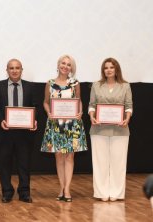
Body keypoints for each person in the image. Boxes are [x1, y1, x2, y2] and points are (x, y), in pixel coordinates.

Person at [0, 59, 37, 203]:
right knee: (4, 164)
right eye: (11, 68)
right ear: (7, 70)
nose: (14, 70)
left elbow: (35, 106)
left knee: (24, 164)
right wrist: (0, 120)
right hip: (4, 132)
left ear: (21, 70)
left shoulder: (30, 87)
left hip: (24, 133)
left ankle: (24, 192)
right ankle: (7, 192)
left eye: (17, 68)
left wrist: (34, 120)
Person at [40, 55, 88, 202]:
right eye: (63, 63)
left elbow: (78, 101)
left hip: (72, 124)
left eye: (68, 64)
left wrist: (80, 111)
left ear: (71, 68)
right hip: (55, 124)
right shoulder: (50, 83)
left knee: (70, 156)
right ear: (58, 64)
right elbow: (46, 102)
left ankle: (67, 189)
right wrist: (48, 112)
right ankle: (61, 187)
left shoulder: (75, 83)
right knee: (59, 156)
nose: (65, 66)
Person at [88, 58, 132, 202]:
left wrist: (127, 118)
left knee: (118, 163)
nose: (108, 70)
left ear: (116, 69)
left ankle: (116, 193)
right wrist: (91, 116)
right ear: (103, 70)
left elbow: (128, 105)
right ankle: (101, 193)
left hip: (120, 130)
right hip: (99, 129)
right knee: (100, 162)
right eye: (106, 67)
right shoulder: (96, 85)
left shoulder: (125, 86)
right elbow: (92, 105)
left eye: (111, 67)